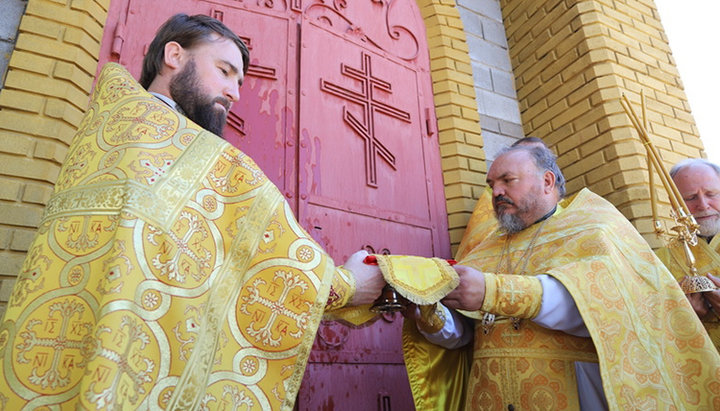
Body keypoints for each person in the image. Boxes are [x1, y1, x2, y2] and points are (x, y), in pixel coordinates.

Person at [0, 14, 384, 409]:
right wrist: (347, 284)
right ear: (173, 55)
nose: (234, 92)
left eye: (239, 81)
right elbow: (263, 245)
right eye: (224, 70)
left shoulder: (114, 129)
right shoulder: (154, 134)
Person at [403, 145, 720, 410]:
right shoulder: (486, 247)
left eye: (507, 180)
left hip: (572, 390)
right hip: (492, 395)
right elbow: (465, 335)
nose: (495, 192)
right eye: (491, 184)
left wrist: (493, 290)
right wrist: (429, 311)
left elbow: (601, 304)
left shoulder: (595, 225)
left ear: (547, 181)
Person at [656, 158, 720, 352]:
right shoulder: (661, 262)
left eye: (711, 194)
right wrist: (684, 319)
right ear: (674, 204)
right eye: (690, 198)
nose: (703, 205)